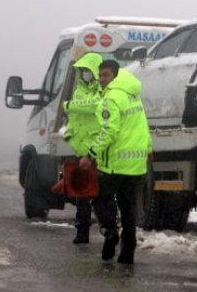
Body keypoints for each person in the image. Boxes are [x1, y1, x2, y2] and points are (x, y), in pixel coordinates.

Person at [79, 60, 151, 264]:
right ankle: (128, 253)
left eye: (106, 75)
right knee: (129, 208)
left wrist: (91, 155)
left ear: (115, 75)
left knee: (100, 198)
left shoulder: (111, 97)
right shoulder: (133, 95)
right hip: (136, 164)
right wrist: (149, 148)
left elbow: (110, 130)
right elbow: (143, 125)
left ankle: (110, 232)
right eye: (100, 75)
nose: (102, 79)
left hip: (116, 163)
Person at [62, 52, 104, 244]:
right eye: (82, 70)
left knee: (100, 194)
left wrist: (70, 105)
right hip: (80, 150)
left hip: (96, 150)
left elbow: (94, 107)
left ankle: (108, 230)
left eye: (88, 70)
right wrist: (69, 132)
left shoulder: (101, 90)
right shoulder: (79, 90)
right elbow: (74, 118)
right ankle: (81, 232)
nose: (85, 73)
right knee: (82, 194)